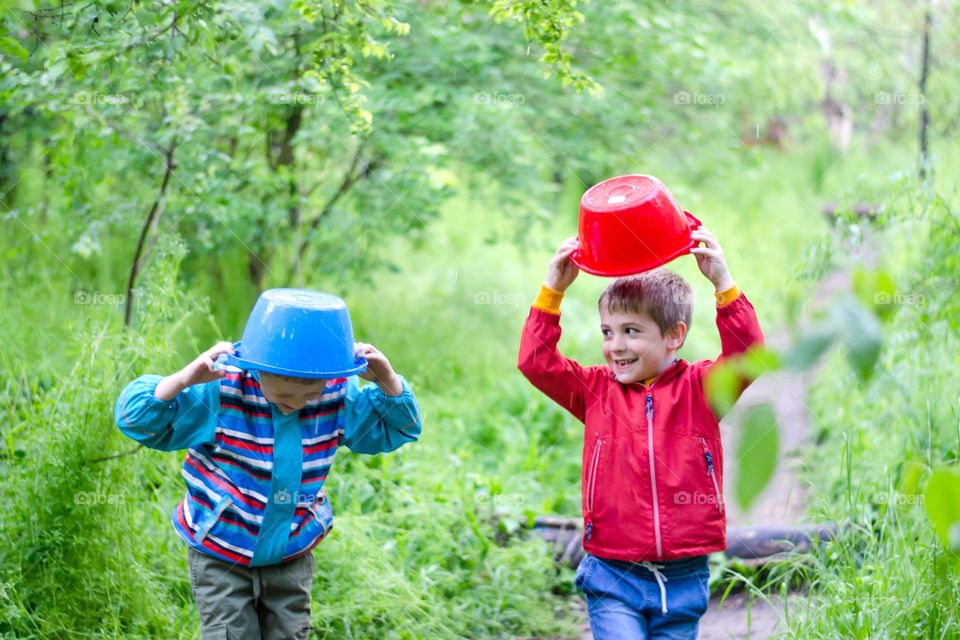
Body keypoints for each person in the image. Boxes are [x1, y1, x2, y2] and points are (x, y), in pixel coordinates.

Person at [114, 291, 422, 640]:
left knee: (290, 633)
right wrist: (183, 380)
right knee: (230, 635)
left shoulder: (338, 395)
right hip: (222, 549)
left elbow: (400, 427)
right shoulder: (223, 391)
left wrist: (388, 380)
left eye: (309, 397)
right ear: (256, 369)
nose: (295, 406)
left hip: (291, 550)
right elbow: (135, 418)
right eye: (281, 396)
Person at [518, 229, 764, 639]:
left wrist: (723, 284)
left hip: (684, 576)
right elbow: (535, 362)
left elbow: (750, 354)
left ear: (674, 336)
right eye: (607, 332)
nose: (615, 345)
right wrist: (551, 293)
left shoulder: (702, 389)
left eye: (631, 331)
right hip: (612, 574)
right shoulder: (594, 391)